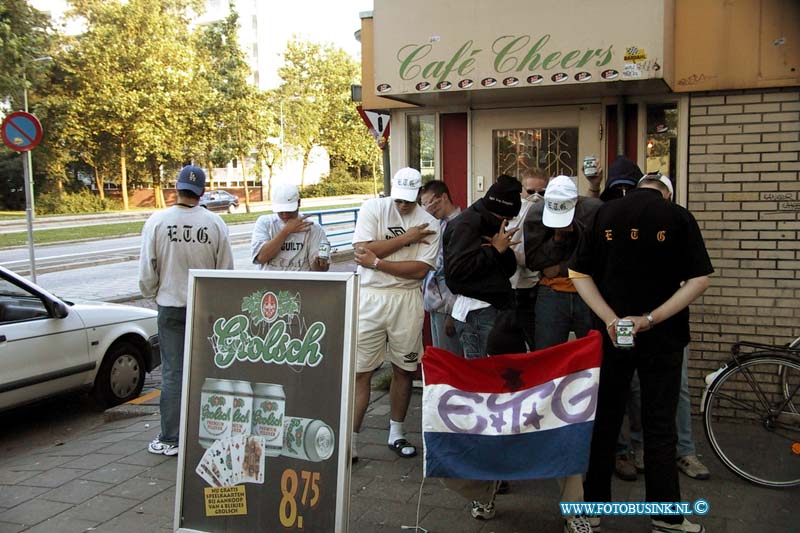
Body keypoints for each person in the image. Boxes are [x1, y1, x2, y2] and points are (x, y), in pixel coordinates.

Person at [570, 175, 713, 533]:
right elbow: (700, 279)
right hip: (663, 337)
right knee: (660, 426)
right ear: (666, 192)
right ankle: (665, 516)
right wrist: (649, 319)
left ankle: (592, 509)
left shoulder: (603, 216)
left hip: (611, 335)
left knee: (604, 421)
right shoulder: (678, 216)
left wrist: (611, 319)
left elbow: (577, 272)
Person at [442, 174, 524, 520]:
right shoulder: (466, 225)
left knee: (501, 391)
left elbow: (502, 270)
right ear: (497, 209)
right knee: (484, 396)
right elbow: (456, 275)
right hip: (476, 316)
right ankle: (485, 479)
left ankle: (497, 469)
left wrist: (500, 252)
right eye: (506, 217)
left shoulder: (489, 221)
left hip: (496, 312)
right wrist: (497, 252)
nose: (506, 224)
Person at [522, 175, 600, 533]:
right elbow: (537, 263)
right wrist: (556, 241)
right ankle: (543, 435)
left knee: (594, 363)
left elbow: (599, 258)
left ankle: (597, 439)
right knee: (545, 366)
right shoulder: (536, 214)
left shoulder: (594, 210)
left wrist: (565, 263)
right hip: (551, 294)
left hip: (589, 294)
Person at [139, 165, 234, 456]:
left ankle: (171, 438)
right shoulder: (215, 223)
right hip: (205, 307)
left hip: (170, 306)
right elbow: (226, 271)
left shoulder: (157, 221)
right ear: (202, 191)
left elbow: (147, 271)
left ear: (176, 188)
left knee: (173, 373)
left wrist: (153, 292)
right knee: (208, 371)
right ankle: (208, 433)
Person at [350, 167, 440, 462]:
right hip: (370, 297)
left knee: (404, 368)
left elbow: (419, 270)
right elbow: (360, 250)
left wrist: (377, 260)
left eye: (408, 201)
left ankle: (396, 432)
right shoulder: (373, 208)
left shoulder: (429, 223)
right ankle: (350, 441)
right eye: (398, 199)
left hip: (406, 298)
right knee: (361, 371)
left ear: (418, 195)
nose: (402, 206)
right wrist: (406, 239)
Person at [420, 180, 463, 355]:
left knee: (451, 360)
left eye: (430, 202)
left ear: (443, 197)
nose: (428, 208)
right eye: (423, 205)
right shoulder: (436, 224)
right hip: (434, 303)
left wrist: (451, 313)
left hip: (449, 306)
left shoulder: (460, 225)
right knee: (441, 357)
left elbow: (457, 271)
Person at [508, 167, 548, 349]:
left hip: (536, 286)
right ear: (521, 190)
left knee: (537, 340)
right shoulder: (511, 211)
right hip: (509, 285)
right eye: (531, 192)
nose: (536, 196)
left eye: (542, 192)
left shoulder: (549, 211)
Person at [250, 183, 330, 272]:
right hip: (270, 282)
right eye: (280, 211)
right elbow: (260, 258)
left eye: (289, 211)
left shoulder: (313, 228)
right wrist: (286, 231)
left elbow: (319, 270)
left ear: (299, 203)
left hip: (301, 283)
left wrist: (321, 262)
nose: (285, 215)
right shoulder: (265, 223)